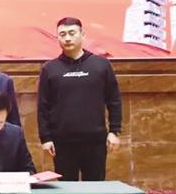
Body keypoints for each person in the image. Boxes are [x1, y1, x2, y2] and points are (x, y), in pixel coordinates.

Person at [37, 17, 122, 181]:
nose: (67, 38)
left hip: (95, 140)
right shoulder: (49, 68)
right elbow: (43, 106)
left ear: (82, 35)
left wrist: (114, 131)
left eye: (72, 33)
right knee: (67, 190)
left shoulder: (101, 65)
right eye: (62, 34)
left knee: (95, 188)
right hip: (62, 142)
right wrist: (45, 138)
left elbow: (114, 100)